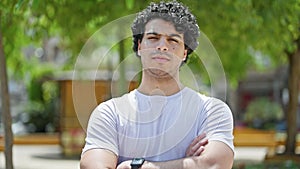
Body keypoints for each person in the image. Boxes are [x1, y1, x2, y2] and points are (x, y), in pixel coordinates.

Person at [80, 1, 234, 169]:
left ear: (184, 53)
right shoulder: (109, 113)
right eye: (153, 38)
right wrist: (186, 164)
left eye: (173, 40)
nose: (162, 46)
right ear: (139, 46)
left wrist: (137, 166)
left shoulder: (211, 111)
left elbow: (214, 164)